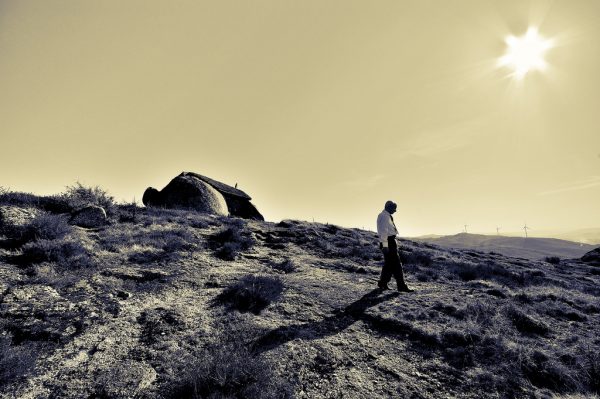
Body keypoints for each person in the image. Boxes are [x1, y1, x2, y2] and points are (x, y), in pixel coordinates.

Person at [376, 200, 413, 292]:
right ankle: (401, 286)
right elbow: (383, 231)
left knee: (389, 264)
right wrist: (385, 245)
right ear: (388, 207)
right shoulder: (385, 216)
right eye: (394, 208)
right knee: (396, 265)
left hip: (389, 242)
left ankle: (383, 283)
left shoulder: (384, 215)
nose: (395, 210)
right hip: (388, 242)